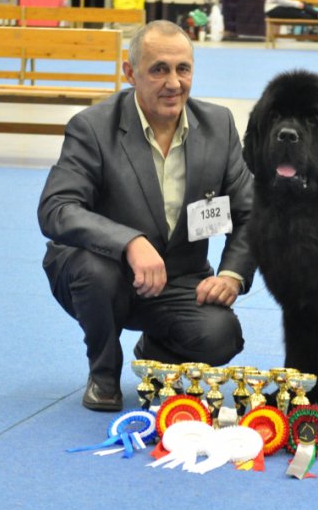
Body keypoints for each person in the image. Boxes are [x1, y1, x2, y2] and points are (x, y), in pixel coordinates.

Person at [37, 20, 255, 412]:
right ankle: (104, 373)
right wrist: (129, 242)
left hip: (180, 277)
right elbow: (57, 208)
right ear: (130, 72)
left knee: (221, 335)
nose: (173, 83)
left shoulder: (219, 126)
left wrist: (231, 276)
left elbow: (250, 214)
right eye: (158, 70)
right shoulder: (92, 127)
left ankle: (157, 350)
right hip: (104, 274)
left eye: (183, 69)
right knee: (95, 272)